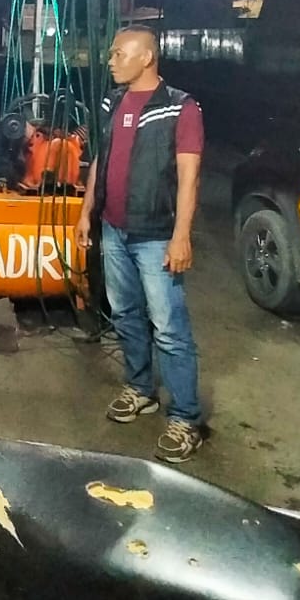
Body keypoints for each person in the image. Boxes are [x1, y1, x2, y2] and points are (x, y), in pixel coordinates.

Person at [75, 26, 207, 464]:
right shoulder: (112, 102)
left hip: (156, 236)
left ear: (147, 57)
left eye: (119, 53)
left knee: (168, 328)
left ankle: (185, 418)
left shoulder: (181, 107)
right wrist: (86, 212)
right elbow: (101, 159)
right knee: (126, 315)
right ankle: (140, 389)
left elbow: (189, 177)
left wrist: (181, 236)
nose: (110, 60)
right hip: (114, 229)